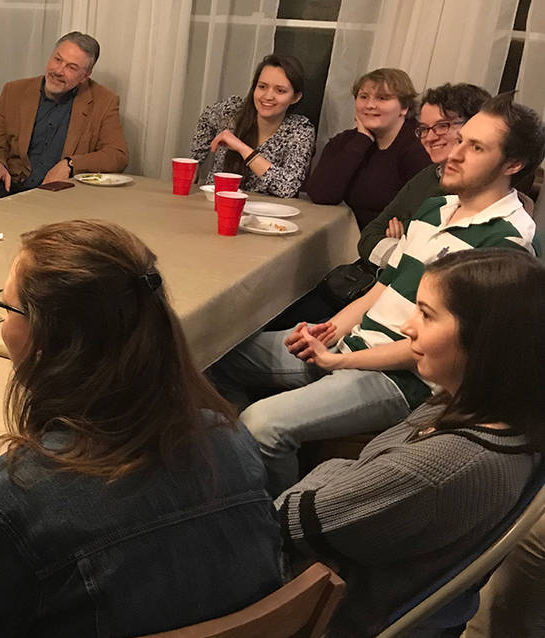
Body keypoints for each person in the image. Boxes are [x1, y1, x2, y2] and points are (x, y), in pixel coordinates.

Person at [0, 220, 282, 638]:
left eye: (8, 308)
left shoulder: (5, 502)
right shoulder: (232, 439)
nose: (2, 325)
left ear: (48, 341)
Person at [211, 92, 544, 496]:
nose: (454, 153)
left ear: (513, 164)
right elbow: (382, 289)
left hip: (399, 379)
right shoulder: (435, 207)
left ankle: (277, 528)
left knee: (263, 424)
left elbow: (436, 349)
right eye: (460, 139)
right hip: (353, 346)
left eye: (475, 148)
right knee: (215, 353)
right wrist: (328, 329)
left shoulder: (505, 245)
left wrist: (341, 360)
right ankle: (247, 472)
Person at [277, 248, 545, 637]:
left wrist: (336, 470)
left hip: (329, 614)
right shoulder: (483, 408)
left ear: (484, 336)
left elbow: (291, 519)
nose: (407, 326)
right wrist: (354, 474)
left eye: (427, 314)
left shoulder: (442, 467)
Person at [0, 32, 128, 199]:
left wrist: (70, 164)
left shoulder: (104, 101)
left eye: (71, 67)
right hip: (12, 190)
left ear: (85, 76)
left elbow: (117, 155)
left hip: (62, 197)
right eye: (57, 59)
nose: (58, 71)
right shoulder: (14, 91)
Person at [357, 83, 492, 265]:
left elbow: (443, 269)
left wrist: (402, 244)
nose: (429, 137)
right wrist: (402, 251)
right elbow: (369, 235)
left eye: (442, 126)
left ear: (475, 126)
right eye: (424, 129)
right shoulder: (430, 174)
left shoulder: (481, 193)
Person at [305, 68, 432, 228]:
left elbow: (424, 209)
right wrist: (362, 140)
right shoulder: (345, 141)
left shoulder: (420, 145)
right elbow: (320, 194)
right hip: (345, 237)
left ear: (404, 107)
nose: (370, 105)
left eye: (382, 98)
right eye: (363, 97)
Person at [190, 54, 314, 198]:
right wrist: (196, 161)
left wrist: (241, 148)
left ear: (295, 97)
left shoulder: (300, 130)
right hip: (216, 203)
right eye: (262, 87)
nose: (268, 96)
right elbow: (206, 118)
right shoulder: (231, 111)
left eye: (280, 90)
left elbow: (287, 188)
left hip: (266, 215)